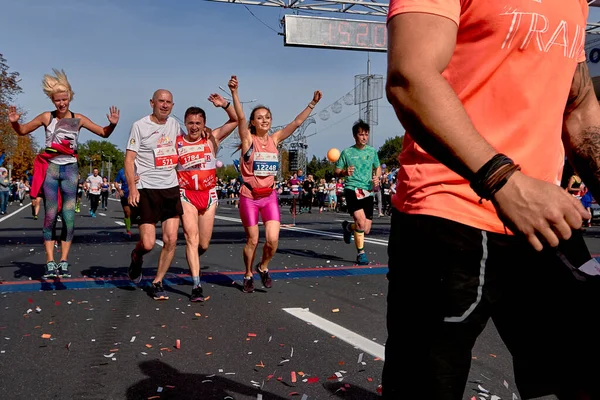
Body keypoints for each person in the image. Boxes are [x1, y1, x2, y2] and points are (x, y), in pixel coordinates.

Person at [384, 2, 600, 399]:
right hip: (446, 213)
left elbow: (580, 107)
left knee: (579, 378)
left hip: (544, 218)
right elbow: (409, 77)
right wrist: (505, 182)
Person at [9, 69, 119, 278]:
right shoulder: (46, 117)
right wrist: (14, 122)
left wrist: (112, 125)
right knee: (50, 215)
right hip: (51, 168)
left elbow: (103, 133)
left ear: (70, 98)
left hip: (70, 169)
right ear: (52, 100)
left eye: (65, 99)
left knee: (68, 216)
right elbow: (22, 130)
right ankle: (50, 261)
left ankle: (64, 261)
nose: (61, 104)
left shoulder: (78, 119)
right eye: (58, 100)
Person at [229, 75, 322, 293]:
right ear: (253, 122)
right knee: (252, 240)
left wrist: (313, 103)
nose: (264, 120)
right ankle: (248, 273)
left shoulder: (275, 139)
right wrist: (234, 92)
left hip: (269, 196)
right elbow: (241, 119)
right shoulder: (247, 140)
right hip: (250, 197)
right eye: (259, 117)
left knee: (272, 241)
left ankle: (263, 267)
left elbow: (297, 123)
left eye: (267, 117)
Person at [126, 89, 196, 300]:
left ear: (172, 106)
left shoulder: (174, 125)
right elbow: (129, 159)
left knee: (171, 239)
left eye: (168, 102)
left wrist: (208, 132)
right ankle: (136, 256)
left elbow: (192, 137)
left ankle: (157, 282)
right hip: (146, 188)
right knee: (147, 243)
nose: (164, 105)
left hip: (170, 187)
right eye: (161, 101)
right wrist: (132, 187)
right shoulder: (139, 126)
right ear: (152, 103)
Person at [176, 87, 238, 302]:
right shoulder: (178, 142)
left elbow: (236, 120)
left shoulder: (211, 138)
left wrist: (225, 105)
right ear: (185, 123)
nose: (194, 127)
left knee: (203, 244)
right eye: (191, 123)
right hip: (186, 195)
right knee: (190, 239)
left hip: (208, 195)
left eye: (198, 123)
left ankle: (194, 262)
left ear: (204, 124)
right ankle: (196, 285)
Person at [335, 120, 381, 266]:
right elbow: (336, 171)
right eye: (361, 134)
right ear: (355, 136)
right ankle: (361, 254)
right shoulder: (347, 152)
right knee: (360, 222)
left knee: (365, 229)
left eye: (366, 134)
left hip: (367, 191)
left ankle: (348, 227)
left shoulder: (372, 151)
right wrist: (344, 172)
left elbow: (378, 167)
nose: (364, 138)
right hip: (352, 189)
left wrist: (377, 178)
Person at [114, 167, 133, 239]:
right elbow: (116, 182)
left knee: (135, 213)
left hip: (136, 194)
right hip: (125, 194)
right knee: (127, 212)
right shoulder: (121, 171)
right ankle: (128, 231)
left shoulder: (138, 169)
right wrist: (119, 190)